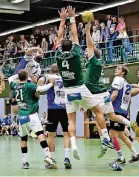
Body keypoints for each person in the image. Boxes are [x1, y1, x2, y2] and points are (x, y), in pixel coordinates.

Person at [55, 6, 114, 160]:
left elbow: (60, 36)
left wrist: (63, 20)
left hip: (68, 91)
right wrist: (72, 17)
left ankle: (73, 145)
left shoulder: (57, 55)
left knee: (71, 120)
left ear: (60, 47)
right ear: (72, 46)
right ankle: (106, 138)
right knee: (99, 111)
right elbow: (74, 34)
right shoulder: (75, 53)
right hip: (81, 88)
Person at [84, 22, 139, 160]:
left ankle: (111, 148)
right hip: (113, 102)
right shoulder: (101, 64)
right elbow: (93, 47)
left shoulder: (116, 78)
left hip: (106, 101)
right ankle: (132, 145)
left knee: (103, 123)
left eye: (118, 69)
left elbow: (91, 46)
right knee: (115, 124)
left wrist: (87, 30)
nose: (87, 52)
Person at [8, 69, 57, 169]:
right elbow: (42, 89)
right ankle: (48, 156)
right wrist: (51, 84)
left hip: (21, 115)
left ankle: (25, 162)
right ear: (26, 77)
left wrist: (20, 74)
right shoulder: (29, 86)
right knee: (40, 134)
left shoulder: (15, 85)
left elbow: (9, 78)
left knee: (23, 138)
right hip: (31, 114)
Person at [38, 63, 72, 169]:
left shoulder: (49, 77)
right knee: (67, 134)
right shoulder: (65, 78)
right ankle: (67, 158)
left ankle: (51, 159)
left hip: (52, 109)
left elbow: (39, 85)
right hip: (65, 109)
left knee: (51, 135)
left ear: (51, 70)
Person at [108, 65, 139, 164]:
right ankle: (135, 154)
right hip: (124, 110)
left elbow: (114, 95)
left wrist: (106, 104)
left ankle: (121, 157)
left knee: (112, 134)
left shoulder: (117, 79)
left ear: (123, 73)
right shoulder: (127, 84)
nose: (116, 69)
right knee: (122, 135)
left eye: (118, 68)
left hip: (116, 110)